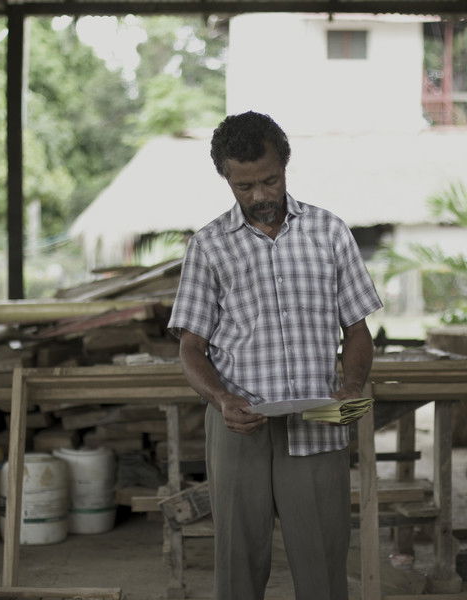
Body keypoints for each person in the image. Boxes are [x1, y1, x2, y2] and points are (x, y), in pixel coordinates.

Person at [168, 111, 382, 600]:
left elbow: (357, 329)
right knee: (238, 562)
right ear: (226, 178)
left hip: (318, 417)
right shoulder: (208, 246)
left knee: (323, 561)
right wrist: (222, 399)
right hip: (237, 421)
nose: (260, 195)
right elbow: (191, 347)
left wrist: (350, 386)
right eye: (244, 186)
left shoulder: (329, 232)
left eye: (270, 180)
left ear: (285, 165)